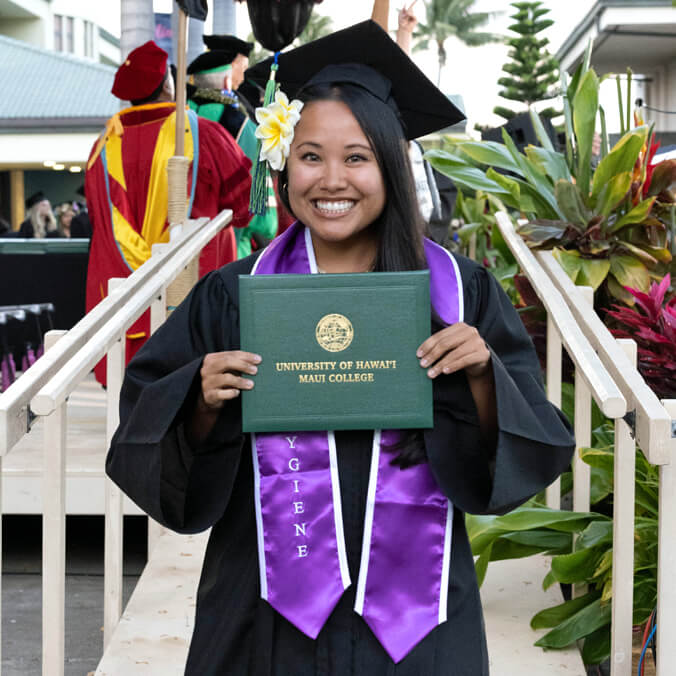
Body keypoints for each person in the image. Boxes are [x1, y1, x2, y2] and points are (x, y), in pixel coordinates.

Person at [106, 21, 574, 676]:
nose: (332, 180)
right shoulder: (231, 296)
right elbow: (145, 426)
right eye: (311, 156)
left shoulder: (461, 295)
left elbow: (533, 440)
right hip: (264, 606)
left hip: (416, 622)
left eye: (357, 157)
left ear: (390, 164)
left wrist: (484, 376)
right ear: (284, 163)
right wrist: (200, 398)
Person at [85, 40, 252, 383]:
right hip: (193, 291)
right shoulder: (204, 134)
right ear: (167, 86)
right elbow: (245, 208)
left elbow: (97, 219)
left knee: (126, 394)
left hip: (121, 297)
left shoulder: (100, 150)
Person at [187, 42, 279, 259]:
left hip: (175, 248)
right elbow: (263, 219)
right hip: (229, 249)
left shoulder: (176, 120)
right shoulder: (242, 127)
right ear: (227, 80)